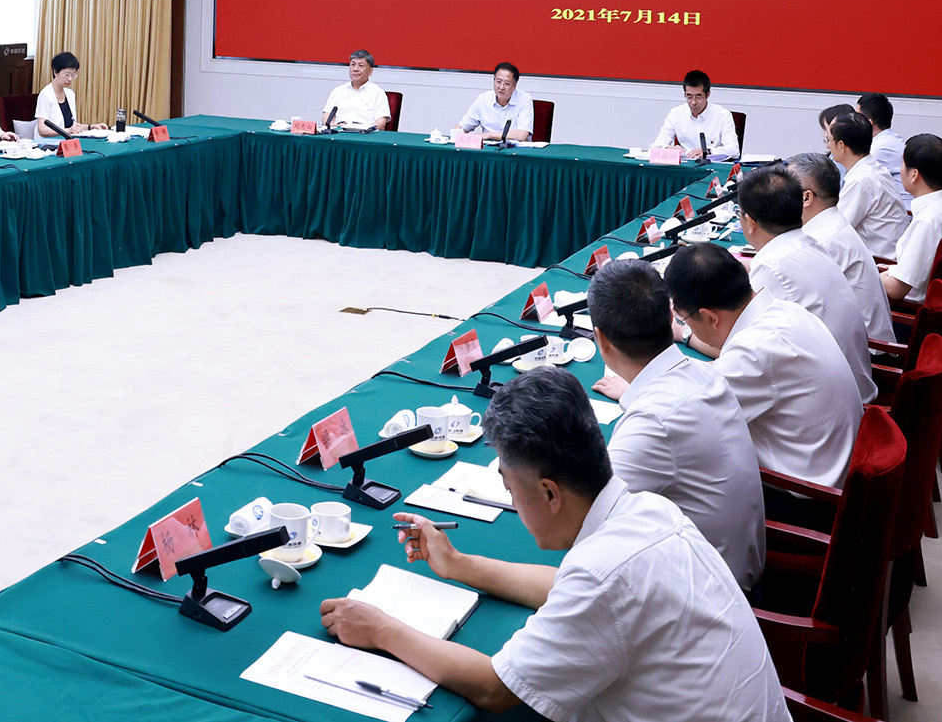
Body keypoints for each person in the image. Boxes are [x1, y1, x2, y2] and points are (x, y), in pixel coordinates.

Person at [319, 367, 788, 720]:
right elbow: (566, 585)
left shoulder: (603, 574)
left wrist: (380, 629)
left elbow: (494, 688)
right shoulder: (648, 509)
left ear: (549, 493)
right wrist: (458, 564)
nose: (512, 501)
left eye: (510, 488)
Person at [586, 259, 765, 591]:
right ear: (671, 318)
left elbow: (588, 525)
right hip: (735, 571)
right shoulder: (704, 373)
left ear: (601, 340)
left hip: (710, 597)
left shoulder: (653, 423)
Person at [665, 243, 861, 490]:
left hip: (808, 496)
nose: (686, 324)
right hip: (836, 465)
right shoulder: (784, 309)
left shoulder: (753, 352)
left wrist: (632, 383)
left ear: (710, 317)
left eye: (684, 318)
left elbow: (683, 420)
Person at [737, 165, 878, 404]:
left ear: (749, 222)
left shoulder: (772, 267)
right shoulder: (812, 244)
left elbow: (741, 348)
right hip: (849, 385)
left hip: (831, 401)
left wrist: (685, 334)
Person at [784, 152, 899, 364]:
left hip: (868, 355)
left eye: (785, 191)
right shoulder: (832, 223)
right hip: (860, 344)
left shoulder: (821, 240)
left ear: (806, 198)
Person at [881, 134, 942, 302]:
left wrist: (866, 274)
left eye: (902, 164)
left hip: (906, 307)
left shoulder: (928, 222)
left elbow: (896, 289)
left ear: (914, 175)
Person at [826, 110, 909, 258]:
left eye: (829, 140)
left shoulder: (860, 180)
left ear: (841, 145)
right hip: (889, 254)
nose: (827, 146)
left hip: (881, 262)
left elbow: (836, 232)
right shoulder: (873, 168)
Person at [653, 70, 738, 158]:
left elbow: (734, 150)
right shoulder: (676, 113)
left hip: (710, 163)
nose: (693, 102)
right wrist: (667, 149)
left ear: (707, 95)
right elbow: (656, 146)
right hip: (685, 163)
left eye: (698, 97)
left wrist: (707, 151)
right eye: (689, 96)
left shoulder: (723, 115)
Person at [857, 92, 910, 205]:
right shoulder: (892, 140)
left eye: (857, 119)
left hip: (904, 211)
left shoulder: (878, 149)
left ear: (869, 123)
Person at [456, 62, 532, 140]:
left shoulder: (524, 99)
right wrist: (455, 134)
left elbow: (522, 135)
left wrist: (489, 135)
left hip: (514, 147)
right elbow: (463, 127)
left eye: (507, 84)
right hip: (488, 146)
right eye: (498, 82)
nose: (501, 87)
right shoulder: (483, 99)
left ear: (514, 86)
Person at [320, 49, 390, 130]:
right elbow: (326, 118)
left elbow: (381, 124)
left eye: (361, 66)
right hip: (339, 132)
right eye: (353, 65)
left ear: (370, 71)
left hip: (364, 134)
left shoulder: (378, 93)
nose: (355, 69)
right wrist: (334, 126)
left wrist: (364, 129)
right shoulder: (338, 91)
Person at [33, 51, 98, 137]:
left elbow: (71, 126)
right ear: (55, 72)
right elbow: (42, 130)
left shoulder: (70, 94)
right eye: (67, 75)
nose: (70, 79)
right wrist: (68, 131)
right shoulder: (46, 95)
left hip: (67, 140)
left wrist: (91, 127)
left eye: (73, 75)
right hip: (48, 142)